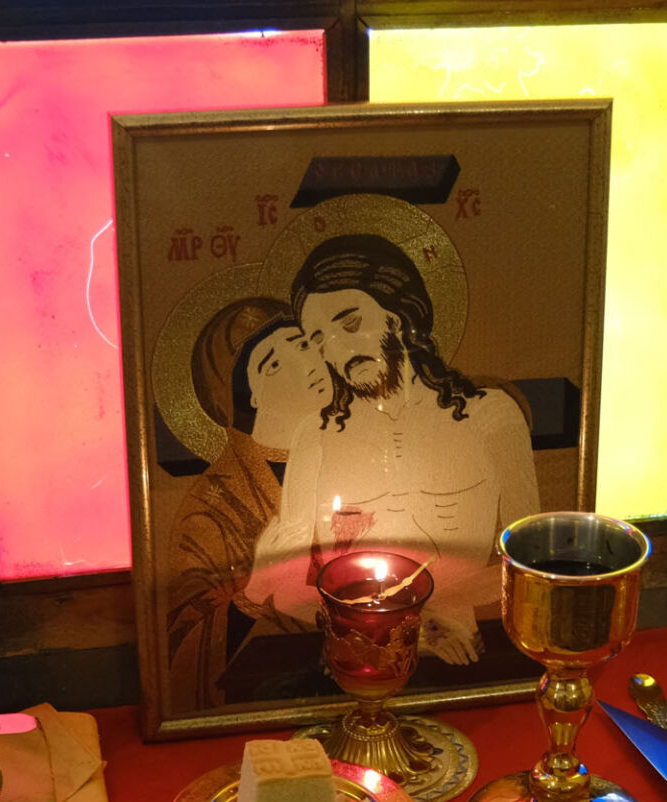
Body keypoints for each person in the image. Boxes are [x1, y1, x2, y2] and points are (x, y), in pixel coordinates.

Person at [242, 234, 541, 665]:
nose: (338, 349)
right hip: (356, 653)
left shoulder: (489, 418)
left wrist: (439, 614)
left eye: (350, 324)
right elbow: (283, 582)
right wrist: (405, 623)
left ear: (398, 317)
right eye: (320, 340)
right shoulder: (317, 436)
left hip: (464, 651)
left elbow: (528, 566)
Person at [161, 297, 330, 707]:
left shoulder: (360, 455)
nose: (305, 363)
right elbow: (180, 653)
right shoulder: (212, 509)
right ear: (247, 396)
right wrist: (253, 593)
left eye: (304, 344)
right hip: (268, 697)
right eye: (274, 363)